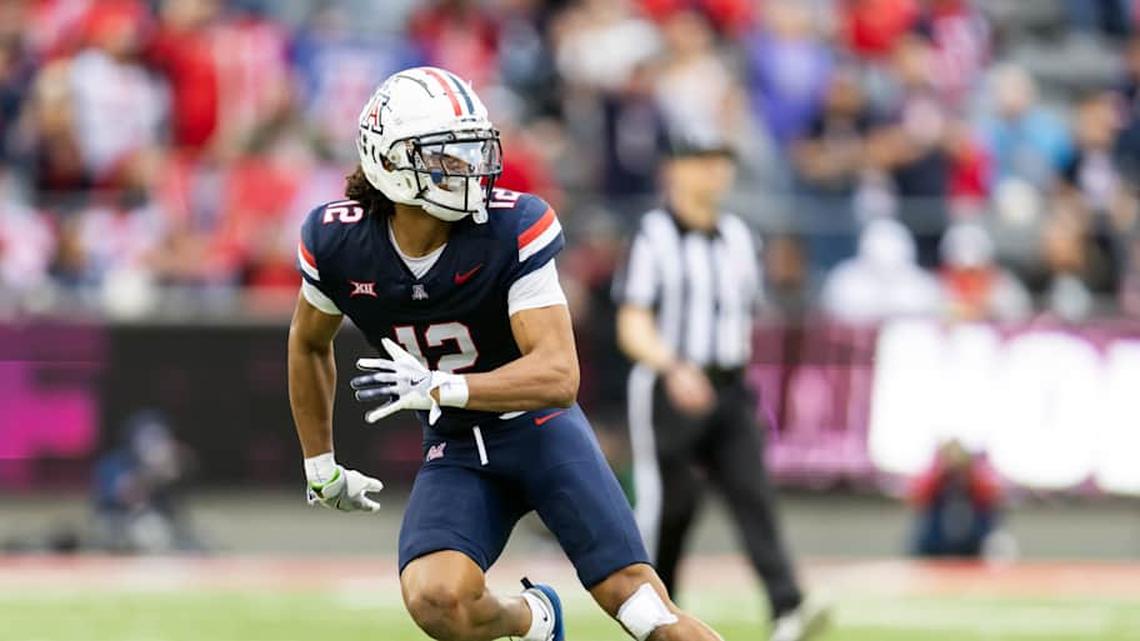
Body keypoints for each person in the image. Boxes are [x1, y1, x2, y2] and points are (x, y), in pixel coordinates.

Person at [287, 66, 725, 641]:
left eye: (472, 149)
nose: (470, 168)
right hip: (457, 449)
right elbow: (308, 342)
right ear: (389, 162)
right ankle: (534, 618)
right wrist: (320, 465)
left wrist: (443, 388)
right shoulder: (338, 241)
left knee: (648, 617)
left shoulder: (509, 226)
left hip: (542, 432)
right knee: (436, 600)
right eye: (446, 155)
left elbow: (558, 374)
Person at [615, 133, 826, 641]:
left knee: (752, 491)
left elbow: (743, 317)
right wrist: (673, 366)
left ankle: (787, 607)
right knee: (670, 503)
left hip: (730, 386)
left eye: (720, 161)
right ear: (676, 169)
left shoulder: (739, 237)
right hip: (670, 385)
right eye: (702, 161)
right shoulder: (652, 235)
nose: (714, 173)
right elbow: (632, 322)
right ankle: (654, 608)